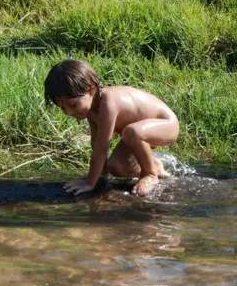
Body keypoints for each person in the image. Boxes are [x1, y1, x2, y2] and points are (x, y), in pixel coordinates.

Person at [44, 59, 179, 196]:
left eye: (73, 105)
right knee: (116, 166)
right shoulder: (91, 108)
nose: (69, 112)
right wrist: (99, 176)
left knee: (132, 132)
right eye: (62, 108)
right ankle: (155, 166)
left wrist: (89, 183)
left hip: (166, 124)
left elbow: (102, 148)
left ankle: (150, 174)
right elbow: (95, 142)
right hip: (139, 133)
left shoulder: (109, 103)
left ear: (91, 89)